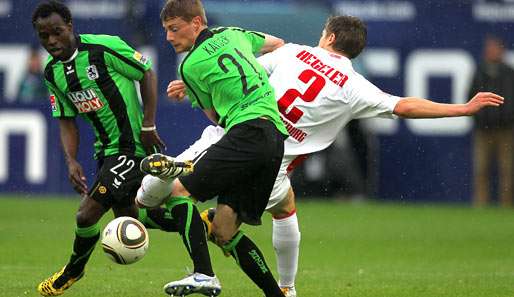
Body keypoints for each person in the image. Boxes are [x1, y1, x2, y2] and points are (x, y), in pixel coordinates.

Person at [137, 15, 504, 297]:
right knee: (279, 209)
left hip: (234, 137)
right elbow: (405, 106)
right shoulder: (355, 87)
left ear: (328, 36)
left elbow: (243, 73)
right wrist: (462, 108)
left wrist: (191, 81)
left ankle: (160, 224)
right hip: (274, 164)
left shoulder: (295, 52)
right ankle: (286, 286)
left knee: (161, 199)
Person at [138, 1, 289, 297]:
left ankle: (204, 274)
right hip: (274, 138)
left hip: (245, 132)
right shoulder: (233, 33)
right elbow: (277, 45)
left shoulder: (190, 66)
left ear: (196, 23)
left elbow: (217, 119)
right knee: (224, 230)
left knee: (178, 192)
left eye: (174, 28)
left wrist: (198, 86)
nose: (169, 37)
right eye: (166, 30)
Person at [32, 1, 167, 296]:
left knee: (86, 214)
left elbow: (147, 73)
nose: (52, 41)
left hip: (131, 148)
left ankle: (73, 270)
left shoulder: (103, 49)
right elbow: (66, 119)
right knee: (130, 216)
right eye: (44, 36)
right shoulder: (52, 73)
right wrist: (70, 160)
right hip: (104, 152)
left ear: (70, 26)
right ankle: (197, 223)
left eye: (57, 32)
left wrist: (148, 125)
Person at [468, 35, 514, 208]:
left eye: (495, 48)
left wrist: (507, 118)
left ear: (502, 51)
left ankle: (507, 206)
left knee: (507, 170)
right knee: (481, 170)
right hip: (483, 130)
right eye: (489, 48)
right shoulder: (480, 71)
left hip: (506, 130)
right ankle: (480, 205)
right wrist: (480, 119)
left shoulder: (509, 72)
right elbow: (469, 98)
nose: (492, 51)